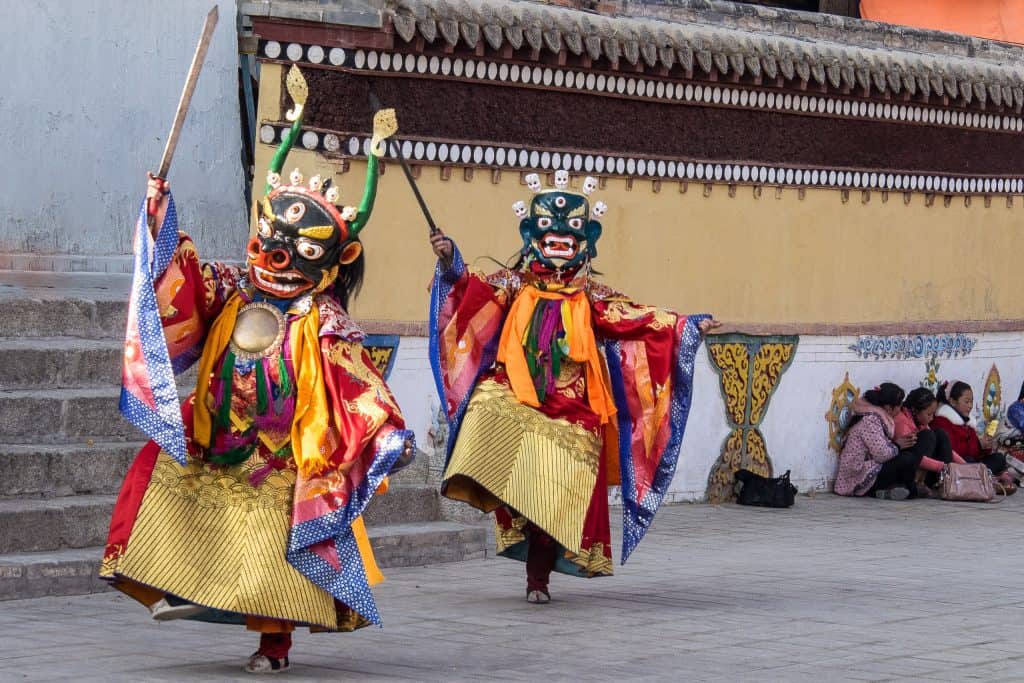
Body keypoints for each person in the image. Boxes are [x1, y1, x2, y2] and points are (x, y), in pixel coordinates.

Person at [100, 68, 413, 673]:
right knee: (159, 477)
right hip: (218, 437)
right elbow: (180, 286)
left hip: (281, 452)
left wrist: (386, 432)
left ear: (334, 262)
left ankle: (275, 645)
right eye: (267, 242)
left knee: (273, 553)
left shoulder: (323, 322)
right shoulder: (234, 289)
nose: (272, 260)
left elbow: (357, 383)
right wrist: (159, 219)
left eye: (295, 254)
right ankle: (178, 586)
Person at [426, 170, 718, 603]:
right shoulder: (515, 284)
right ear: (531, 233)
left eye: (570, 230)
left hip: (575, 407)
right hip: (517, 393)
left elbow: (636, 318)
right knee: (485, 404)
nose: (559, 237)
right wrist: (451, 259)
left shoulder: (591, 296)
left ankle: (537, 578)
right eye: (548, 228)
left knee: (553, 498)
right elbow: (471, 291)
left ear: (587, 239)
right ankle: (483, 483)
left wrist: (687, 326)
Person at [834, 383, 947, 499]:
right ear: (888, 408)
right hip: (857, 476)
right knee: (907, 458)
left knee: (911, 455)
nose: (901, 409)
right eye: (899, 406)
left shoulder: (877, 418)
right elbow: (881, 455)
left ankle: (896, 490)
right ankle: (912, 490)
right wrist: (898, 445)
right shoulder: (870, 421)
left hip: (871, 468)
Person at [932, 380, 1017, 493]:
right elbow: (954, 451)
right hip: (956, 465)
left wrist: (985, 447)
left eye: (971, 402)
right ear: (952, 402)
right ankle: (988, 481)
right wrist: (978, 444)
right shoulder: (942, 421)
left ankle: (985, 479)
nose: (970, 406)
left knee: (998, 458)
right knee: (970, 461)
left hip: (971, 464)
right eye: (966, 402)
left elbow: (976, 453)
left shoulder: (968, 421)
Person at [893, 387, 966, 490]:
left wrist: (966, 467)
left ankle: (946, 481)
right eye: (929, 414)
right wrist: (945, 467)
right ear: (914, 410)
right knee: (929, 435)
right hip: (907, 471)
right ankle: (919, 483)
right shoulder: (901, 422)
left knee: (940, 433)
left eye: (933, 414)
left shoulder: (920, 422)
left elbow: (946, 448)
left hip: (928, 469)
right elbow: (915, 457)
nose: (931, 418)